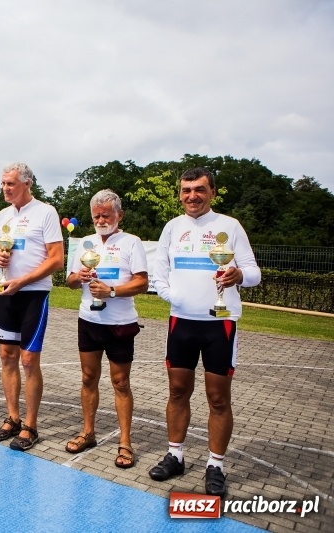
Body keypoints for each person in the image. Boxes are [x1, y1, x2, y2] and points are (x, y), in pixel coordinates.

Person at [149, 167, 261, 496]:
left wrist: (238, 274)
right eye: (186, 190)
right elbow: (159, 277)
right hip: (181, 322)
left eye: (199, 189)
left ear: (212, 191)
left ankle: (216, 465)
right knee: (178, 392)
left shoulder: (230, 227)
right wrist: (176, 299)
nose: (192, 196)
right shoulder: (172, 228)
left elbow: (254, 273)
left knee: (217, 398)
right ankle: (176, 455)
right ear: (180, 194)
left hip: (220, 324)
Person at [65, 189, 148, 468]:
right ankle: (88, 432)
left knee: (120, 383)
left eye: (106, 214)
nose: (101, 220)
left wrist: (112, 291)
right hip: (89, 320)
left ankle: (125, 442)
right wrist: (80, 277)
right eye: (96, 215)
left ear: (119, 215)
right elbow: (70, 280)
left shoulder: (131, 242)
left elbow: (142, 283)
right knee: (88, 378)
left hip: (120, 323)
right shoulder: (86, 242)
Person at [0, 162, 64, 451]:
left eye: (11, 183)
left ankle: (31, 425)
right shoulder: (1, 215)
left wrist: (23, 281)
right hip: (6, 292)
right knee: (7, 356)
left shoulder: (46, 212)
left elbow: (56, 260)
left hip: (33, 294)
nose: (5, 188)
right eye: (3, 183)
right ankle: (13, 418)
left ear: (27, 183)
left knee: (29, 360)